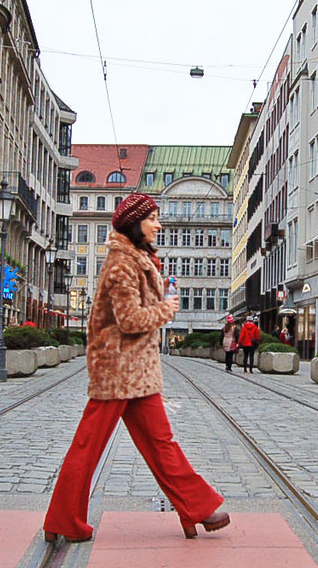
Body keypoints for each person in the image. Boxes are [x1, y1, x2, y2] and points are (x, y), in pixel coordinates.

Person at [44, 193, 229, 543]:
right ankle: (62, 519)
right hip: (117, 369)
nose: (159, 225)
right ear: (135, 223)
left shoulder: (138, 259)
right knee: (89, 446)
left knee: (162, 443)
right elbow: (129, 320)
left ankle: (195, 508)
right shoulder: (121, 264)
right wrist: (167, 309)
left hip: (137, 372)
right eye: (153, 219)